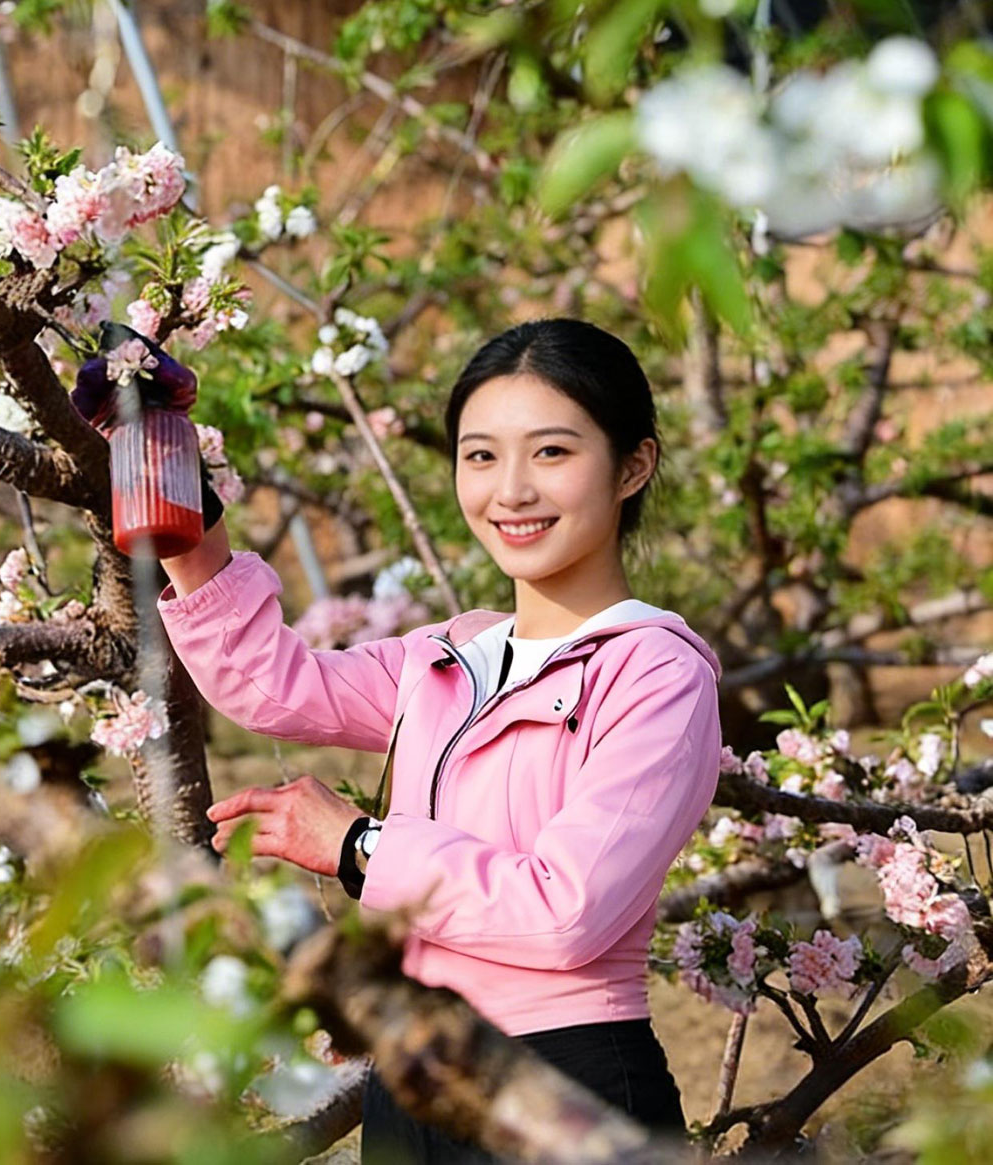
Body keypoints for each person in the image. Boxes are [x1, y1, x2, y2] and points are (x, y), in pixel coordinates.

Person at [78, 318, 719, 1161]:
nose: (511, 491)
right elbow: (275, 687)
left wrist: (360, 844)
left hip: (561, 1073)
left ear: (633, 465)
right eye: (481, 455)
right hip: (411, 1075)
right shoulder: (455, 654)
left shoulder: (655, 672)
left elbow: (568, 912)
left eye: (553, 453)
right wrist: (177, 486)